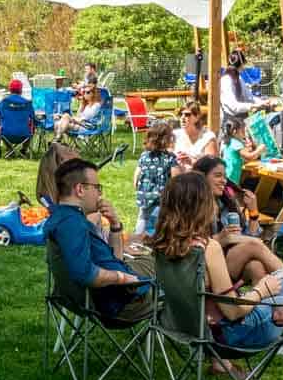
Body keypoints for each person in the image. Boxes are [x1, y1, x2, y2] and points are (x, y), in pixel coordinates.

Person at [150, 172, 283, 380]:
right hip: (229, 336)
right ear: (200, 206)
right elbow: (234, 311)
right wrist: (260, 291)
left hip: (186, 328)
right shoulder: (207, 248)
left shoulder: (162, 244)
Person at [44, 156, 155, 323]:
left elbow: (114, 259)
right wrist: (121, 277)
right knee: (178, 278)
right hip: (121, 304)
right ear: (80, 189)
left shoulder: (64, 217)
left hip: (105, 298)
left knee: (153, 263)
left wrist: (115, 224)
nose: (100, 193)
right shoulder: (72, 225)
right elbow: (85, 273)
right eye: (97, 187)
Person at [134, 120, 179, 242]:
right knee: (157, 220)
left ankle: (137, 240)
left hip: (144, 195)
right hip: (161, 196)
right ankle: (153, 240)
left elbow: (137, 175)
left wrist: (138, 189)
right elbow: (175, 178)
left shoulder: (144, 155)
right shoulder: (170, 158)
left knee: (142, 217)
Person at [172, 100, 219, 168]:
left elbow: (212, 166)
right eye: (180, 114)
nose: (182, 118)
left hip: (200, 176)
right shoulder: (175, 135)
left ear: (197, 117)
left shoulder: (208, 137)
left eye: (187, 115)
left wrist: (191, 161)